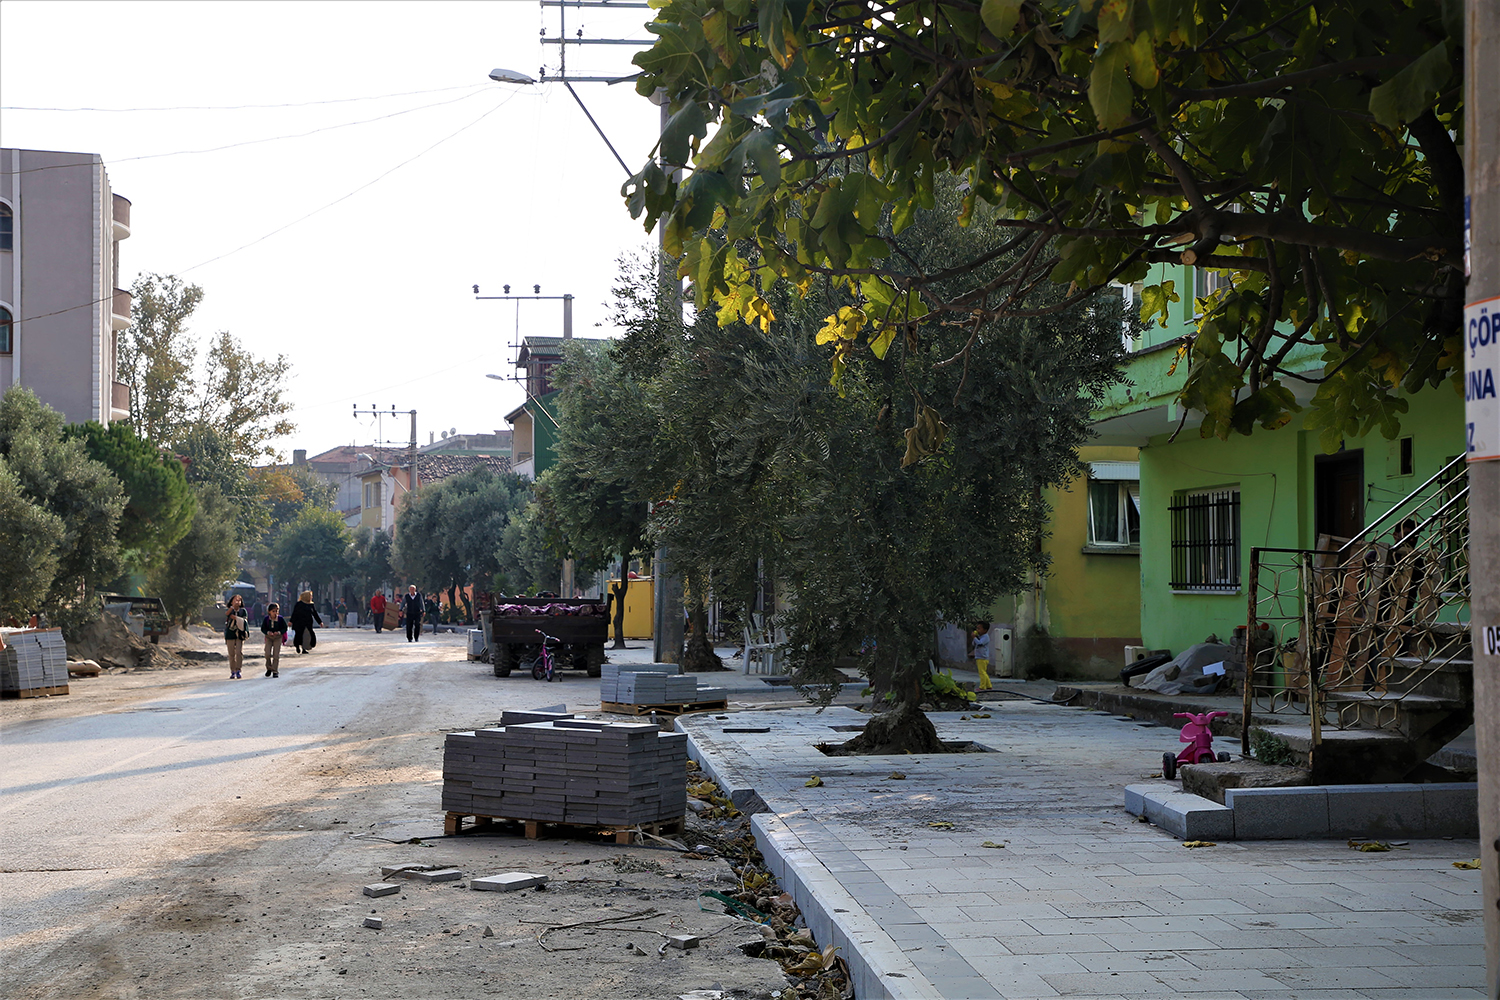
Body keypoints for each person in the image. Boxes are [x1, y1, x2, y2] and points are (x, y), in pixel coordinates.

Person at [224, 594, 249, 679]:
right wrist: (232, 607)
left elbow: (245, 620)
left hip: (240, 634)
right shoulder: (230, 610)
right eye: (235, 600)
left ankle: (238, 669)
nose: (237, 602)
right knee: (231, 653)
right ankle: (232, 671)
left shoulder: (243, 611)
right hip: (230, 634)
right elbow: (227, 614)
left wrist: (236, 618)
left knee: (239, 652)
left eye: (239, 600)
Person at [261, 602, 288, 677]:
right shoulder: (266, 619)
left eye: (276, 611)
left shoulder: (280, 619)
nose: (275, 613)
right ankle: (269, 668)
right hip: (269, 637)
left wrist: (279, 632)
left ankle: (275, 670)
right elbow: (263, 628)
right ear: (269, 612)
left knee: (276, 655)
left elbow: (284, 628)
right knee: (267, 653)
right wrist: (268, 632)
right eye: (273, 611)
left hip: (278, 638)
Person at [971, 621, 993, 692]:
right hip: (980, 656)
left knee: (982, 672)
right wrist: (975, 637)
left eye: (979, 629)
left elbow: (980, 643)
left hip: (982, 657)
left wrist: (974, 638)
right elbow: (974, 644)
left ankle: (982, 686)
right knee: (984, 672)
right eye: (977, 628)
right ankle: (989, 685)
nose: (977, 630)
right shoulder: (980, 637)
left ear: (985, 630)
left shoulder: (985, 637)